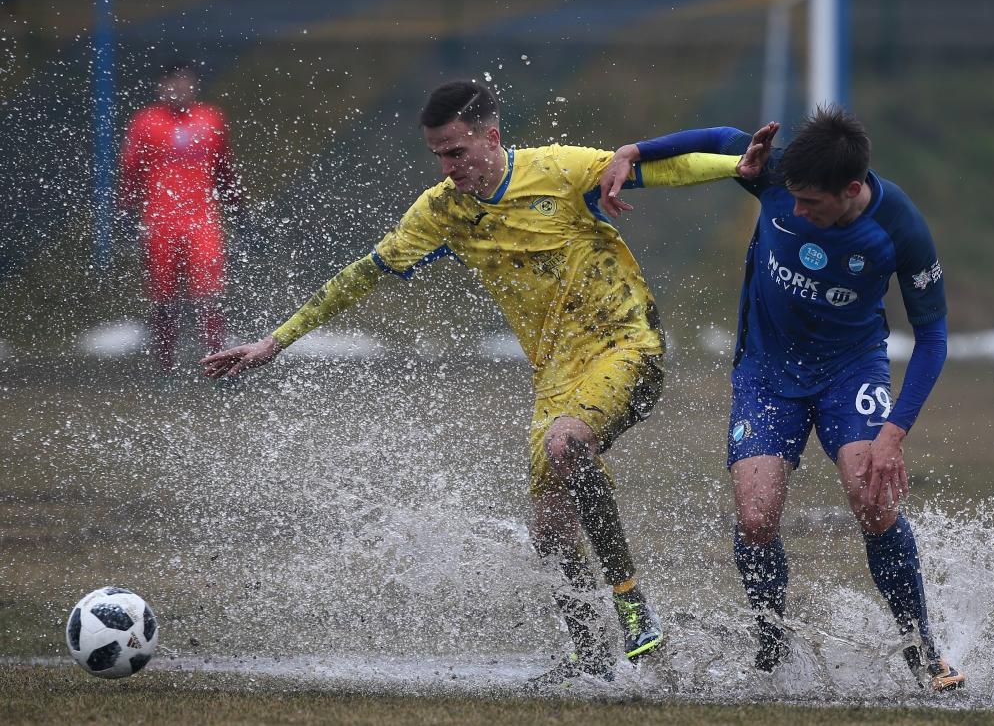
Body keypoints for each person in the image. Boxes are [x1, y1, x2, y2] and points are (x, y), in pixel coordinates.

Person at [200, 81, 762, 685]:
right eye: (438, 155)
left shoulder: (558, 170)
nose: (448, 167)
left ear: (491, 138)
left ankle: (633, 611)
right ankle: (590, 655)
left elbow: (658, 170)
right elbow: (362, 274)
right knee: (549, 528)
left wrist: (735, 167)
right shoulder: (442, 211)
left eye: (456, 152)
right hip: (556, 379)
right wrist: (276, 341)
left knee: (568, 444)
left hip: (626, 346)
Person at [598, 108, 965, 692]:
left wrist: (893, 433)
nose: (795, 211)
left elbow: (934, 337)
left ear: (851, 190)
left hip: (850, 370)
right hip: (766, 371)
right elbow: (719, 139)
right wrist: (632, 152)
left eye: (811, 203)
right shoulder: (774, 171)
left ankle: (922, 650)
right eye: (791, 198)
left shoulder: (901, 227)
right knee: (756, 516)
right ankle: (771, 650)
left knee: (872, 500)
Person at [118, 59, 242, 373]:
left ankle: (219, 364)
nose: (178, 88)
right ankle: (165, 367)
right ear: (160, 86)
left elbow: (225, 170)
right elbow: (130, 172)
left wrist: (240, 212)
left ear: (194, 85)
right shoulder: (145, 122)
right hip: (160, 222)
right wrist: (125, 214)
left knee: (210, 296)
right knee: (164, 299)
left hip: (203, 221)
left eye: (184, 81)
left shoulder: (210, 118)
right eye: (171, 82)